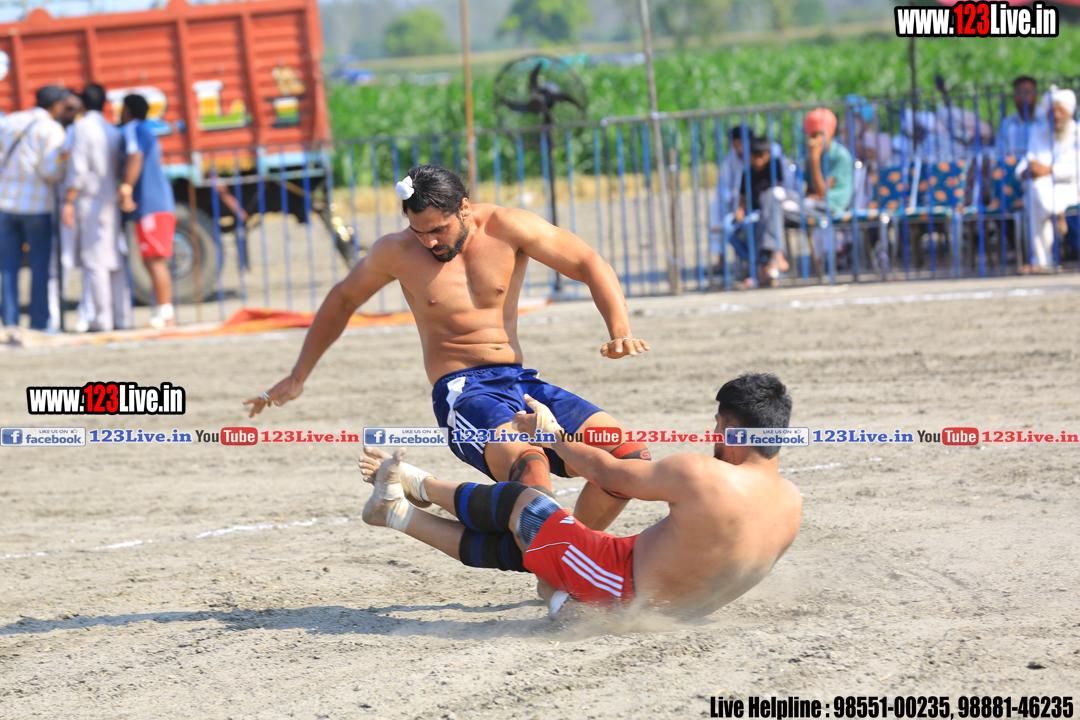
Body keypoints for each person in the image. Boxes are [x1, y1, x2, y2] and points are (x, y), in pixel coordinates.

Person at [245, 164, 651, 532]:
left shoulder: (508, 226)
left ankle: (568, 555)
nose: (430, 242)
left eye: (439, 229)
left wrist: (620, 330)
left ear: (464, 208)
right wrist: (298, 376)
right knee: (531, 466)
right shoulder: (395, 252)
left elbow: (589, 262)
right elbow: (343, 299)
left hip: (519, 382)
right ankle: (553, 555)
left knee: (629, 457)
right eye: (419, 231)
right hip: (462, 392)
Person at [358, 373, 802, 619]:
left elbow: (604, 471)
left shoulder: (704, 474)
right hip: (671, 603)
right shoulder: (791, 503)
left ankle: (415, 486)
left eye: (717, 427)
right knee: (540, 537)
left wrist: (552, 435)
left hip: (619, 587)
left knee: (524, 505)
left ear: (730, 429)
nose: (713, 435)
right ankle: (394, 508)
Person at [61, 84, 130, 331]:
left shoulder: (82, 128)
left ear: (82, 103)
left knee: (94, 261)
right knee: (114, 259)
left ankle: (102, 319)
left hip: (89, 201)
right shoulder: (112, 130)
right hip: (110, 198)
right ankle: (121, 317)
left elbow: (78, 169)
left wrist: (68, 201)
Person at [0, 86, 70, 330]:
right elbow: (50, 171)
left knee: (8, 268)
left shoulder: (11, 121)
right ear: (56, 105)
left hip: (5, 203)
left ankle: (10, 323)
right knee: (39, 267)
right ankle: (39, 324)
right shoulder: (52, 129)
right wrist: (65, 168)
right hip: (36, 206)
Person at [758, 108, 854, 281]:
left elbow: (822, 192)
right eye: (812, 135)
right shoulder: (812, 154)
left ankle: (772, 258)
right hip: (811, 204)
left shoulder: (840, 156)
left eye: (819, 134)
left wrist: (814, 160)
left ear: (830, 133)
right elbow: (810, 191)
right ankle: (775, 256)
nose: (815, 140)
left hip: (830, 207)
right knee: (772, 196)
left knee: (773, 207)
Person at [119, 94, 176, 328]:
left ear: (127, 110)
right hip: (157, 204)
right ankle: (164, 313)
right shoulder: (146, 130)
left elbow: (136, 156)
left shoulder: (133, 129)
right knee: (152, 260)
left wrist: (126, 187)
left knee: (154, 260)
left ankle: (165, 315)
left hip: (151, 205)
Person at [1018, 87, 1080, 273]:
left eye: (1061, 110)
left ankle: (1041, 260)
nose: (1057, 115)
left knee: (1035, 194)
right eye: (1052, 111)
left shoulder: (1077, 133)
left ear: (1069, 111)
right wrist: (1026, 171)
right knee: (1035, 187)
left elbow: (1075, 170)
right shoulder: (1039, 134)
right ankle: (1055, 213)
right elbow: (1025, 164)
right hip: (1043, 191)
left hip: (1070, 189)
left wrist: (1049, 170)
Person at [997, 76, 1040, 159]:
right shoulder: (1007, 125)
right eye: (1019, 92)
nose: (1023, 96)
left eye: (1027, 91)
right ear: (1014, 96)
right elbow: (999, 155)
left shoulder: (1047, 120)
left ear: (1035, 94)